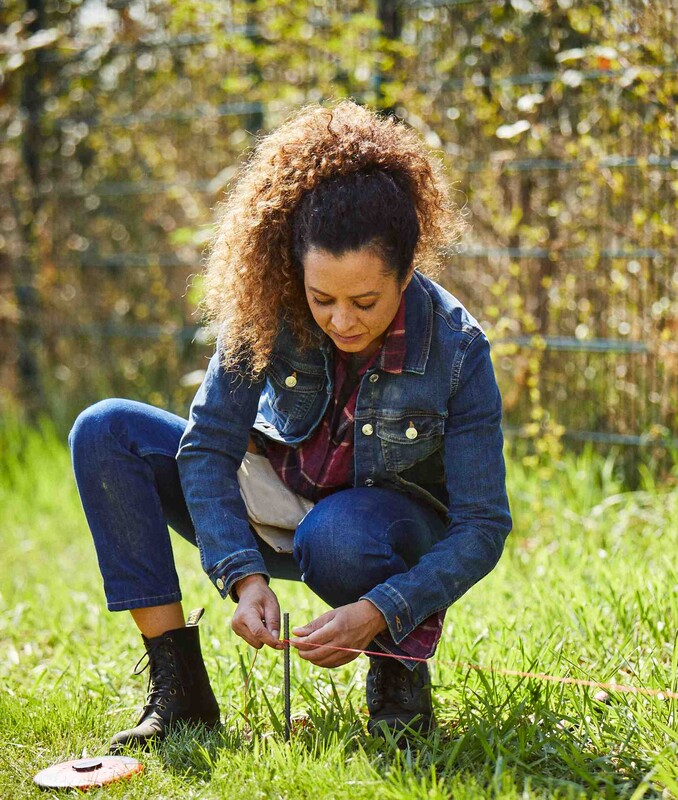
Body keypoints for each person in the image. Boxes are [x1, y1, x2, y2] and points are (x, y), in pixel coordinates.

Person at [68, 99, 512, 750]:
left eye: (365, 301)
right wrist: (243, 577)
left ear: (408, 268)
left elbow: (483, 526)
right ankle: (180, 694)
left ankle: (398, 687)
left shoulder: (457, 349)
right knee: (105, 430)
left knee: (339, 538)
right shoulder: (267, 307)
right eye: (321, 297)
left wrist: (380, 611)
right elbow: (207, 450)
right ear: (295, 268)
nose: (341, 320)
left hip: (374, 531)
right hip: (278, 497)